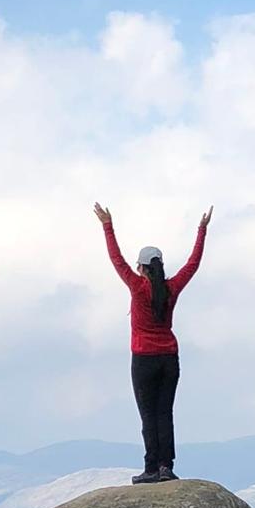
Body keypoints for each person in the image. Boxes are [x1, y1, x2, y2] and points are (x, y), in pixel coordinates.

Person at [94, 202, 210, 484]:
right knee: (164, 413)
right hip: (169, 358)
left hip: (144, 359)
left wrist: (107, 225)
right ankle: (166, 468)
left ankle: (150, 469)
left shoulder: (137, 287)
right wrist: (202, 230)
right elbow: (193, 264)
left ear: (142, 268)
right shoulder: (172, 287)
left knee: (148, 416)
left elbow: (116, 259)